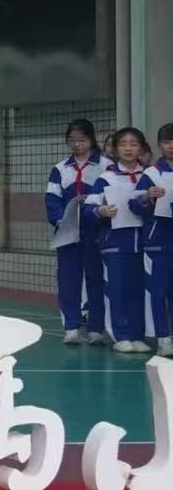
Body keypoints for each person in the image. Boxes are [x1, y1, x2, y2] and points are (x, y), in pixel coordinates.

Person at [47, 118, 111, 346]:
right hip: (67, 232)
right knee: (68, 279)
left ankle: (96, 328)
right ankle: (71, 327)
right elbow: (52, 199)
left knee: (97, 279)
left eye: (82, 140)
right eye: (72, 140)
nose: (76, 144)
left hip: (96, 231)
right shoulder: (59, 169)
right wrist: (60, 220)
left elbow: (111, 195)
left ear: (92, 139)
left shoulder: (106, 166)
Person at [91, 128, 155, 354]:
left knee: (139, 290)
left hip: (145, 243)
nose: (128, 148)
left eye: (133, 144)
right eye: (123, 144)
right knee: (117, 289)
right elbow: (89, 208)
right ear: (116, 149)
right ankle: (120, 335)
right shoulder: (105, 178)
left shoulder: (150, 176)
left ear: (142, 148)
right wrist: (100, 211)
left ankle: (137, 335)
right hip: (115, 242)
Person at [138, 123, 173, 356]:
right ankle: (163, 338)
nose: (172, 146)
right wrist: (147, 196)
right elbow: (133, 204)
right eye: (167, 142)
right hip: (159, 243)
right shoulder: (151, 173)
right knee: (159, 292)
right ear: (159, 145)